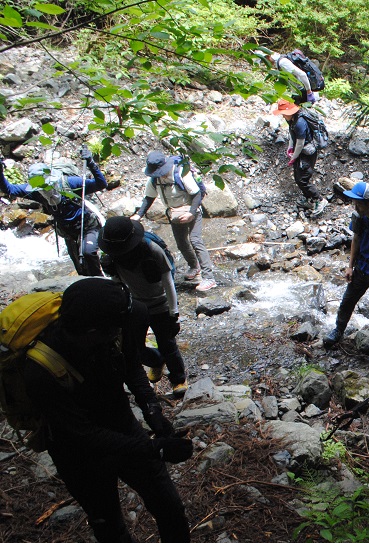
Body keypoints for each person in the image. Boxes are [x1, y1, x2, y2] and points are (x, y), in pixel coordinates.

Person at [21, 278, 223, 543]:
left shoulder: (109, 333)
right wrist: (155, 447)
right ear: (91, 333)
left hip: (123, 426)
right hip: (76, 453)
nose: (123, 330)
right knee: (104, 516)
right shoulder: (41, 370)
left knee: (168, 504)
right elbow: (84, 435)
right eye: (116, 328)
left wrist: (153, 411)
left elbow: (131, 365)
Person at [99, 216, 189, 397]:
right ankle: (156, 361)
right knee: (134, 346)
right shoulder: (111, 256)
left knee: (167, 344)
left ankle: (178, 379)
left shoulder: (151, 249)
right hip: (135, 305)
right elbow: (117, 282)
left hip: (160, 305)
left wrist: (174, 312)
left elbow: (168, 280)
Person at [0, 146, 107, 276]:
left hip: (88, 227)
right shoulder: (35, 192)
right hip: (68, 233)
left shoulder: (70, 183)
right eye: (41, 188)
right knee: (81, 269)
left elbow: (101, 184)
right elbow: (9, 190)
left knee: (87, 253)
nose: (45, 190)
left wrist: (90, 162)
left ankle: (102, 285)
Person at [323, 181, 369, 349]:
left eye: (358, 202)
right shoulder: (360, 218)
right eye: (354, 202)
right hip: (362, 268)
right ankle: (338, 330)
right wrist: (350, 266)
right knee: (347, 302)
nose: (355, 206)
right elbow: (356, 239)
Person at [131, 152, 216, 292]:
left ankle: (209, 277)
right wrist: (139, 215)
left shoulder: (181, 172)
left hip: (192, 209)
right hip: (174, 213)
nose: (160, 175)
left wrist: (191, 213)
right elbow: (149, 198)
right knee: (181, 243)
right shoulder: (154, 179)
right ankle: (194, 266)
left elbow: (196, 194)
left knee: (195, 240)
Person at [272, 99, 327, 215]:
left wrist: (294, 157)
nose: (282, 116)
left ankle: (319, 200)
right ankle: (309, 200)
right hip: (300, 151)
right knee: (298, 177)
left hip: (307, 153)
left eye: (283, 113)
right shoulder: (292, 120)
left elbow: (301, 143)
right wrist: (290, 147)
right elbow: (293, 137)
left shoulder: (300, 123)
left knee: (303, 179)